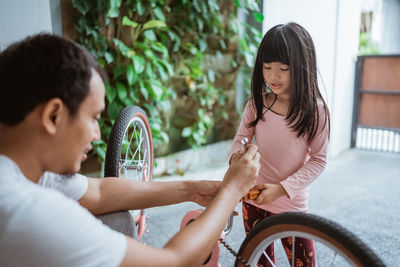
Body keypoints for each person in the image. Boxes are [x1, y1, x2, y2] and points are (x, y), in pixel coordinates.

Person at [0, 33, 261, 267]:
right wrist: (231, 191)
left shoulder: (23, 170)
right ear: (53, 116)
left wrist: (192, 190)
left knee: (116, 218)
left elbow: (98, 192)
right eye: (93, 118)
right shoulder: (26, 211)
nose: (97, 134)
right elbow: (173, 262)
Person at [230, 22, 330, 266]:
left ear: (302, 67)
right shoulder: (256, 104)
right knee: (259, 261)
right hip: (253, 200)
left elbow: (319, 160)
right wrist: (237, 157)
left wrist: (282, 188)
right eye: (267, 67)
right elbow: (240, 139)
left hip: (291, 205)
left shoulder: (316, 111)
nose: (273, 77)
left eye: (283, 69)